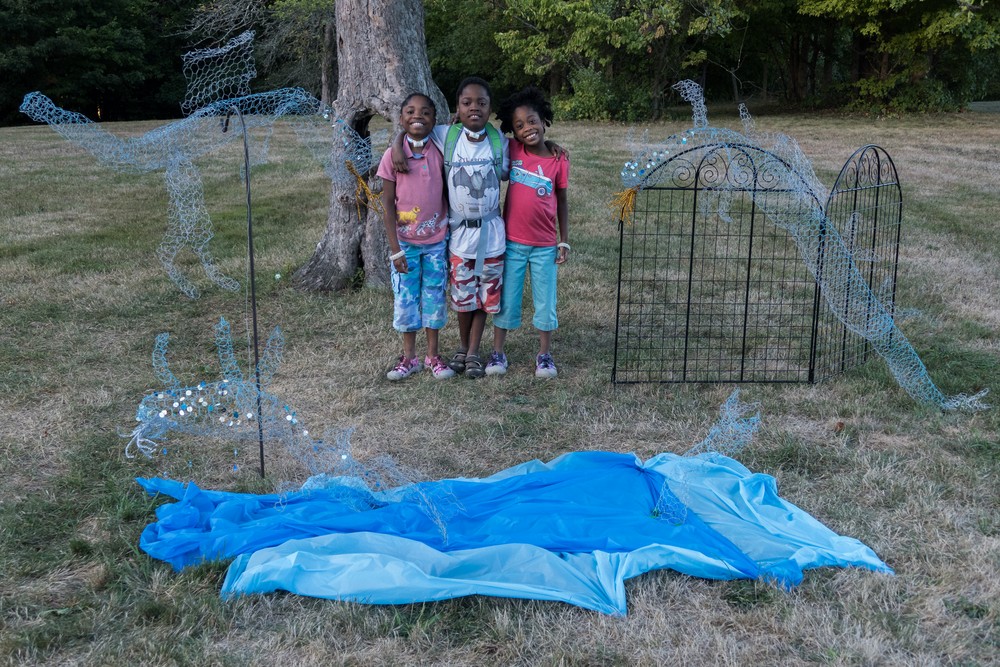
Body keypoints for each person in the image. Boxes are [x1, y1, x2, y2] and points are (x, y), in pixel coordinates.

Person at [392, 76, 510, 379]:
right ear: (456, 108)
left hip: (492, 235)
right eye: (467, 103)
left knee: (486, 295)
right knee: (462, 295)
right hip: (459, 237)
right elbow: (413, 129)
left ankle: (472, 351)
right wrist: (394, 145)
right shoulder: (446, 135)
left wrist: (551, 145)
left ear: (490, 108)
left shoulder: (500, 143)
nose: (474, 108)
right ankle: (461, 346)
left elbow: (530, 151)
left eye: (481, 103)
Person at [485, 86, 569, 379]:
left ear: (543, 119)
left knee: (546, 302)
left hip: (545, 246)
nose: (527, 128)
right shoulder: (512, 149)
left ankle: (544, 355)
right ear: (514, 131)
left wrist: (564, 240)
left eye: (532, 121)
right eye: (519, 125)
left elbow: (562, 200)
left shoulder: (559, 160)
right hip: (512, 244)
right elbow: (484, 133)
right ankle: (498, 352)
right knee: (507, 299)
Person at [377, 93, 455, 380]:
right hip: (405, 245)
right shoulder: (392, 157)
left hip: (436, 242)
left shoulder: (440, 149)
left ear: (435, 120)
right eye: (409, 111)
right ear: (401, 119)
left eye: (425, 112)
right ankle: (408, 357)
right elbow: (387, 206)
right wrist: (395, 250)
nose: (417, 116)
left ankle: (433, 356)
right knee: (406, 298)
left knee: (435, 297)